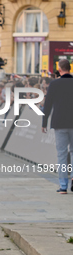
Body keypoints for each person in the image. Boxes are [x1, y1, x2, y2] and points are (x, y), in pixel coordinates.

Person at [42, 59, 73, 194]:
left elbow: (47, 104)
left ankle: (63, 186)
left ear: (59, 70)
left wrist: (44, 122)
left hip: (60, 122)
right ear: (70, 68)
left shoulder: (54, 84)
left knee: (61, 154)